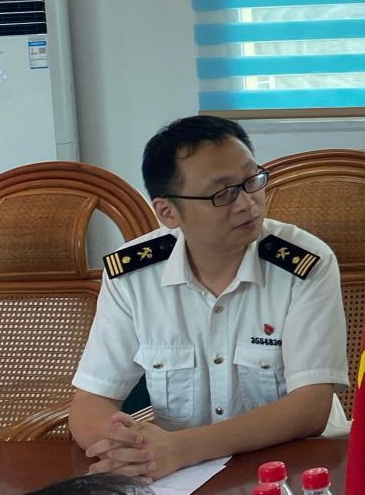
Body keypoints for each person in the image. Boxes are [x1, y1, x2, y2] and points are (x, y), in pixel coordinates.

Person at [70, 115, 348, 481]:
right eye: (223, 193)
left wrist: (181, 449)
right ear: (168, 212)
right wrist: (131, 449)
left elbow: (310, 407)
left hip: (296, 468)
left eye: (251, 181)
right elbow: (91, 401)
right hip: (180, 477)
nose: (248, 203)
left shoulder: (304, 264)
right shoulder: (133, 275)